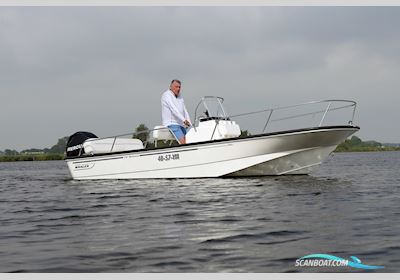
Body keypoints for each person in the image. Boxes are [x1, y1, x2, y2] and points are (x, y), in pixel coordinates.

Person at [161, 80, 191, 144]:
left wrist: (189, 122)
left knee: (191, 138)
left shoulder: (180, 96)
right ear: (171, 87)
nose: (178, 89)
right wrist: (184, 120)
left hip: (181, 124)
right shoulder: (166, 95)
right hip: (172, 124)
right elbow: (173, 109)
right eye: (176, 87)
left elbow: (185, 110)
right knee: (183, 141)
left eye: (179, 87)